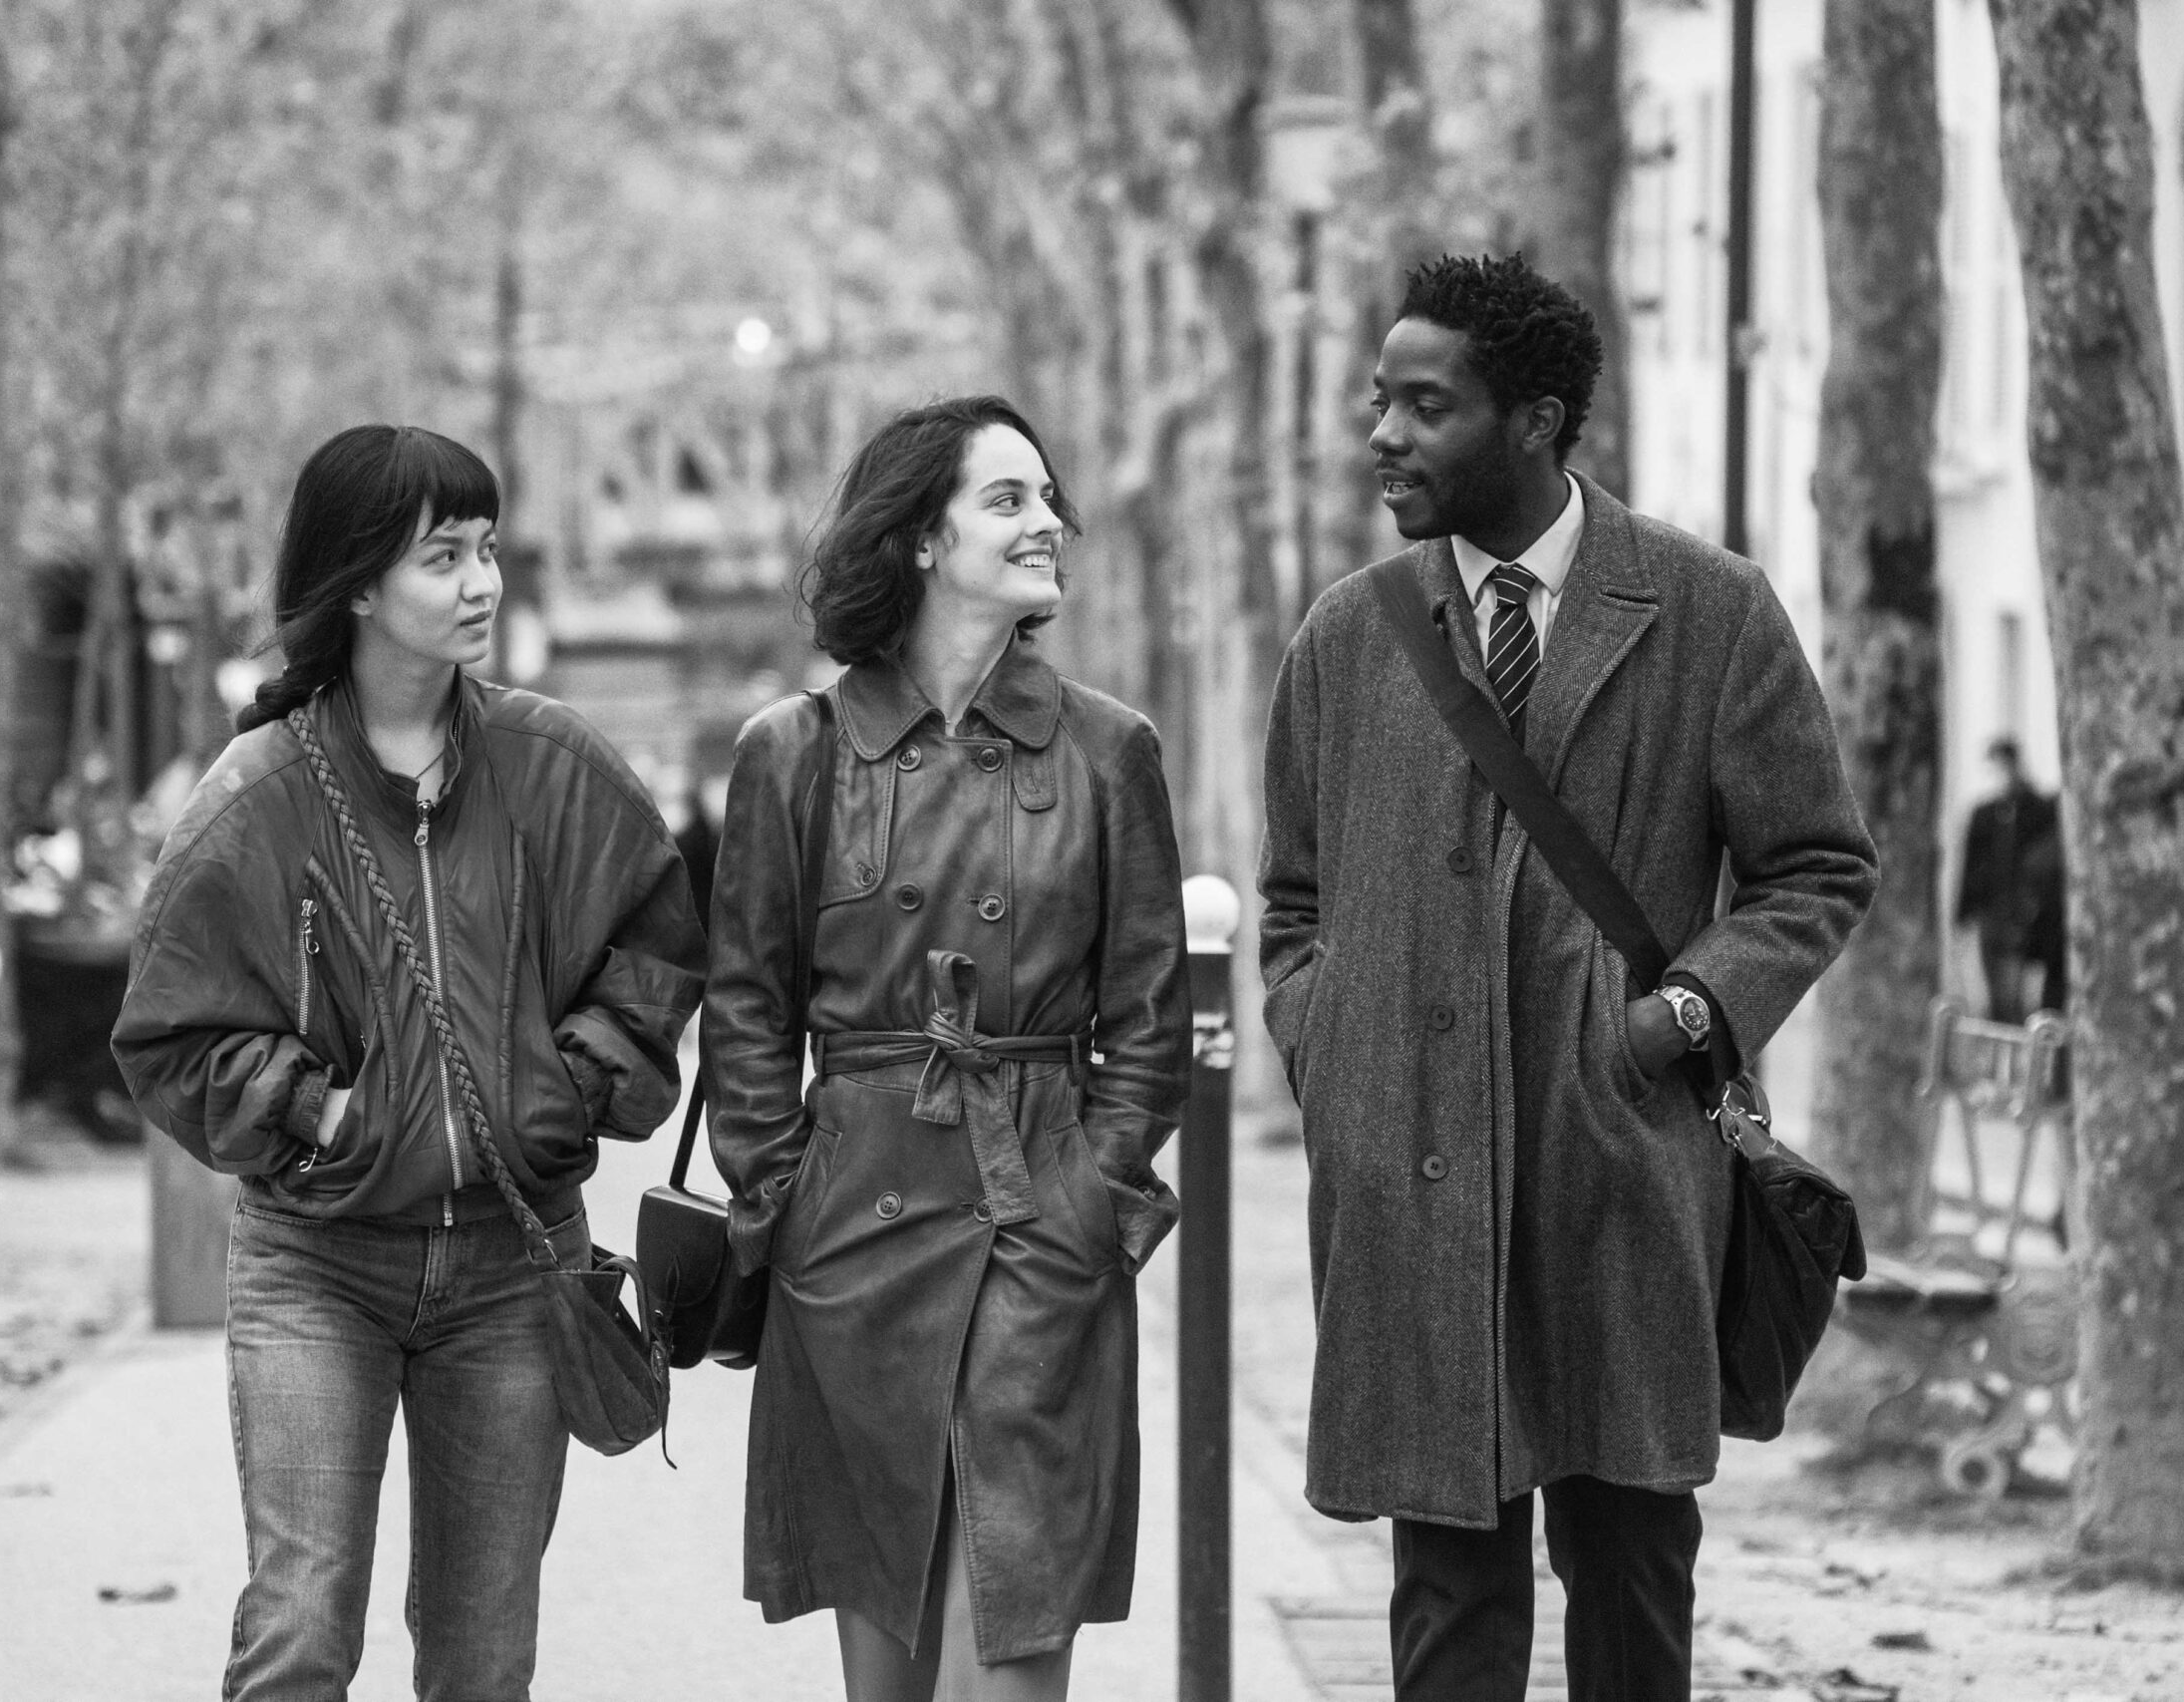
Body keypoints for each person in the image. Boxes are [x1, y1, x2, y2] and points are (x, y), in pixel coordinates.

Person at [1258, 255, 1878, 1702]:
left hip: (1622, 1163)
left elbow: (1815, 865)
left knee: (1633, 1565)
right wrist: (1330, 1049)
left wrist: (1681, 1016)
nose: (1384, 436)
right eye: (1379, 401)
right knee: (1446, 1588)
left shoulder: (1709, 609)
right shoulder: (1350, 633)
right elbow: (1293, 902)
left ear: (1534, 421)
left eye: (1427, 406)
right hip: (1414, 1172)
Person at [112, 424, 705, 1700]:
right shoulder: (257, 792)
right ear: (360, 585)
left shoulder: (553, 764)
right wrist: (317, 1112)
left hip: (515, 1263)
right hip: (317, 1264)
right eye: (444, 557)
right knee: (301, 1628)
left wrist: (565, 1089)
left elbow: (658, 950)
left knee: (483, 1657)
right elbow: (170, 1031)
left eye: (486, 548)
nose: (482, 581)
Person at [707, 396, 1190, 1702]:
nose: (1049, 522)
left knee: (1014, 1638)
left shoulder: (1108, 750)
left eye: (1049, 498)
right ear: (922, 536)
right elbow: (745, 1011)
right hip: (852, 1233)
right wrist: (786, 1192)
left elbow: (1150, 1020)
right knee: (889, 1653)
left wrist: (1092, 1196)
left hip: (1038, 1213)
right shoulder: (793, 753)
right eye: (1008, 499)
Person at [1954, 736, 2064, 1020]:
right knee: (1993, 993)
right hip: (1990, 915)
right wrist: (1964, 914)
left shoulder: (2038, 809)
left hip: (2022, 918)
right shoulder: (1984, 814)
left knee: (2014, 992)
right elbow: (1971, 865)